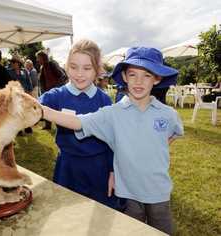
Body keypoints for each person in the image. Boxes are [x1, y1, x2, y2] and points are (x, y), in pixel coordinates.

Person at [41, 47, 183, 235]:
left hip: (159, 191)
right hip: (127, 190)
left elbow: (172, 134)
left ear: (157, 78)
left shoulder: (168, 114)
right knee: (130, 228)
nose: (139, 81)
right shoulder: (112, 113)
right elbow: (78, 122)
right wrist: (43, 111)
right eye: (133, 74)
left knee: (161, 229)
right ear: (124, 76)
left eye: (147, 75)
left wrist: (153, 150)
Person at [39, 39, 125, 211]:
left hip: (99, 167)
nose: (79, 74)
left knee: (101, 214)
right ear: (66, 66)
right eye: (73, 67)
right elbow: (33, 108)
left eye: (87, 68)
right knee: (67, 212)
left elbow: (112, 140)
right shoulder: (56, 95)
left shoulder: (104, 100)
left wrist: (112, 171)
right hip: (68, 166)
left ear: (97, 70)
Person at [36, 50, 67, 130]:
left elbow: (62, 76)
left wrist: (56, 90)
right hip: (47, 92)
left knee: (57, 110)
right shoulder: (42, 67)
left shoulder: (52, 64)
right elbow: (43, 81)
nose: (37, 60)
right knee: (47, 109)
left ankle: (61, 126)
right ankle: (48, 125)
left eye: (38, 58)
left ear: (43, 58)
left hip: (56, 92)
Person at [8, 55, 33, 134]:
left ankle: (27, 127)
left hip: (24, 94)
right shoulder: (8, 71)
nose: (12, 64)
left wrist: (30, 91)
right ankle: (18, 130)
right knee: (17, 112)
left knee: (25, 111)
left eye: (13, 62)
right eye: (11, 62)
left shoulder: (24, 71)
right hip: (14, 95)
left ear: (18, 63)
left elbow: (29, 81)